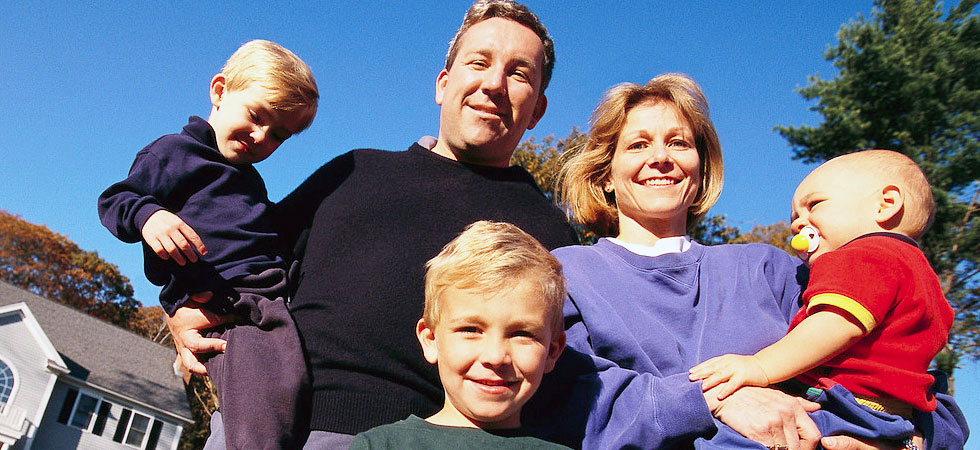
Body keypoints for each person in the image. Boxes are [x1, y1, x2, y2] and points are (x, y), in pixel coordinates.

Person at [165, 1, 578, 448]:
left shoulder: (550, 237)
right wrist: (181, 309)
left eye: (519, 74)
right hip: (261, 426)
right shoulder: (354, 172)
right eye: (479, 62)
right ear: (443, 84)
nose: (494, 83)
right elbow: (237, 255)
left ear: (537, 110)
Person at [523, 74, 968, 450]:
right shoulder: (567, 275)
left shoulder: (771, 270)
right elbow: (560, 399)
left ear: (700, 171)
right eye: (637, 145)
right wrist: (709, 399)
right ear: (605, 176)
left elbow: (906, 371)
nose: (660, 157)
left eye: (679, 143)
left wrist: (902, 440)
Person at [98, 40, 318, 450]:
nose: (261, 137)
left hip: (268, 296)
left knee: (293, 386)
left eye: (279, 135)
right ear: (220, 91)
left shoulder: (248, 180)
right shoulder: (176, 152)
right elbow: (115, 200)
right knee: (261, 405)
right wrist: (150, 215)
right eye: (256, 116)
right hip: (223, 305)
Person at [688, 150, 953, 446]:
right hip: (892, 418)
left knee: (729, 440)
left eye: (814, 205)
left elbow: (835, 323)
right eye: (795, 217)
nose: (798, 224)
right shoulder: (920, 273)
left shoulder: (863, 256)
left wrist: (760, 366)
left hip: (841, 408)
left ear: (886, 204)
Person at [349, 220, 570, 449]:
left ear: (553, 351)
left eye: (522, 334)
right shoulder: (380, 446)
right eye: (470, 330)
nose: (495, 357)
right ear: (431, 339)